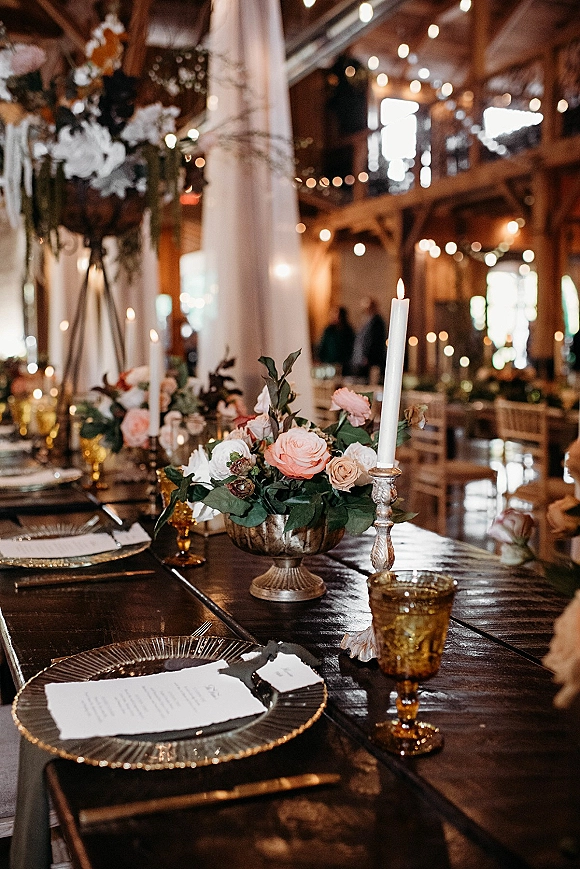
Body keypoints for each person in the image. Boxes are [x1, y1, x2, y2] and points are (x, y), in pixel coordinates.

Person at [350, 296, 387, 381]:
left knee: (370, 380)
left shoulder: (377, 322)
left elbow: (375, 341)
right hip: (360, 359)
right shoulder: (366, 320)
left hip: (371, 359)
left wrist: (368, 356)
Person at [317, 306, 355, 375]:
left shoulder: (348, 331)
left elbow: (351, 347)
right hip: (329, 363)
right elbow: (323, 345)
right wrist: (320, 358)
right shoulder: (329, 330)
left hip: (344, 365)